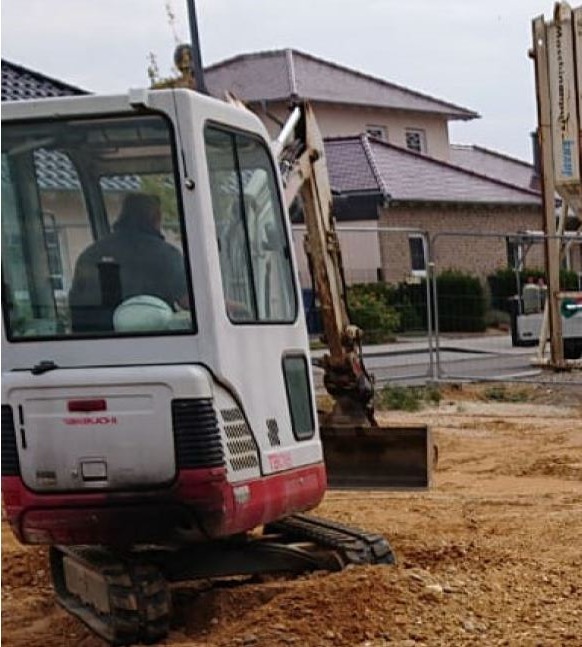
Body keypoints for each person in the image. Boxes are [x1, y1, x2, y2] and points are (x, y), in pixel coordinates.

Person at [69, 193, 189, 332]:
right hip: (157, 339)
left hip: (95, 341)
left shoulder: (90, 255)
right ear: (156, 217)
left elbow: (77, 304)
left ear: (123, 215)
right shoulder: (168, 255)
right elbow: (186, 301)